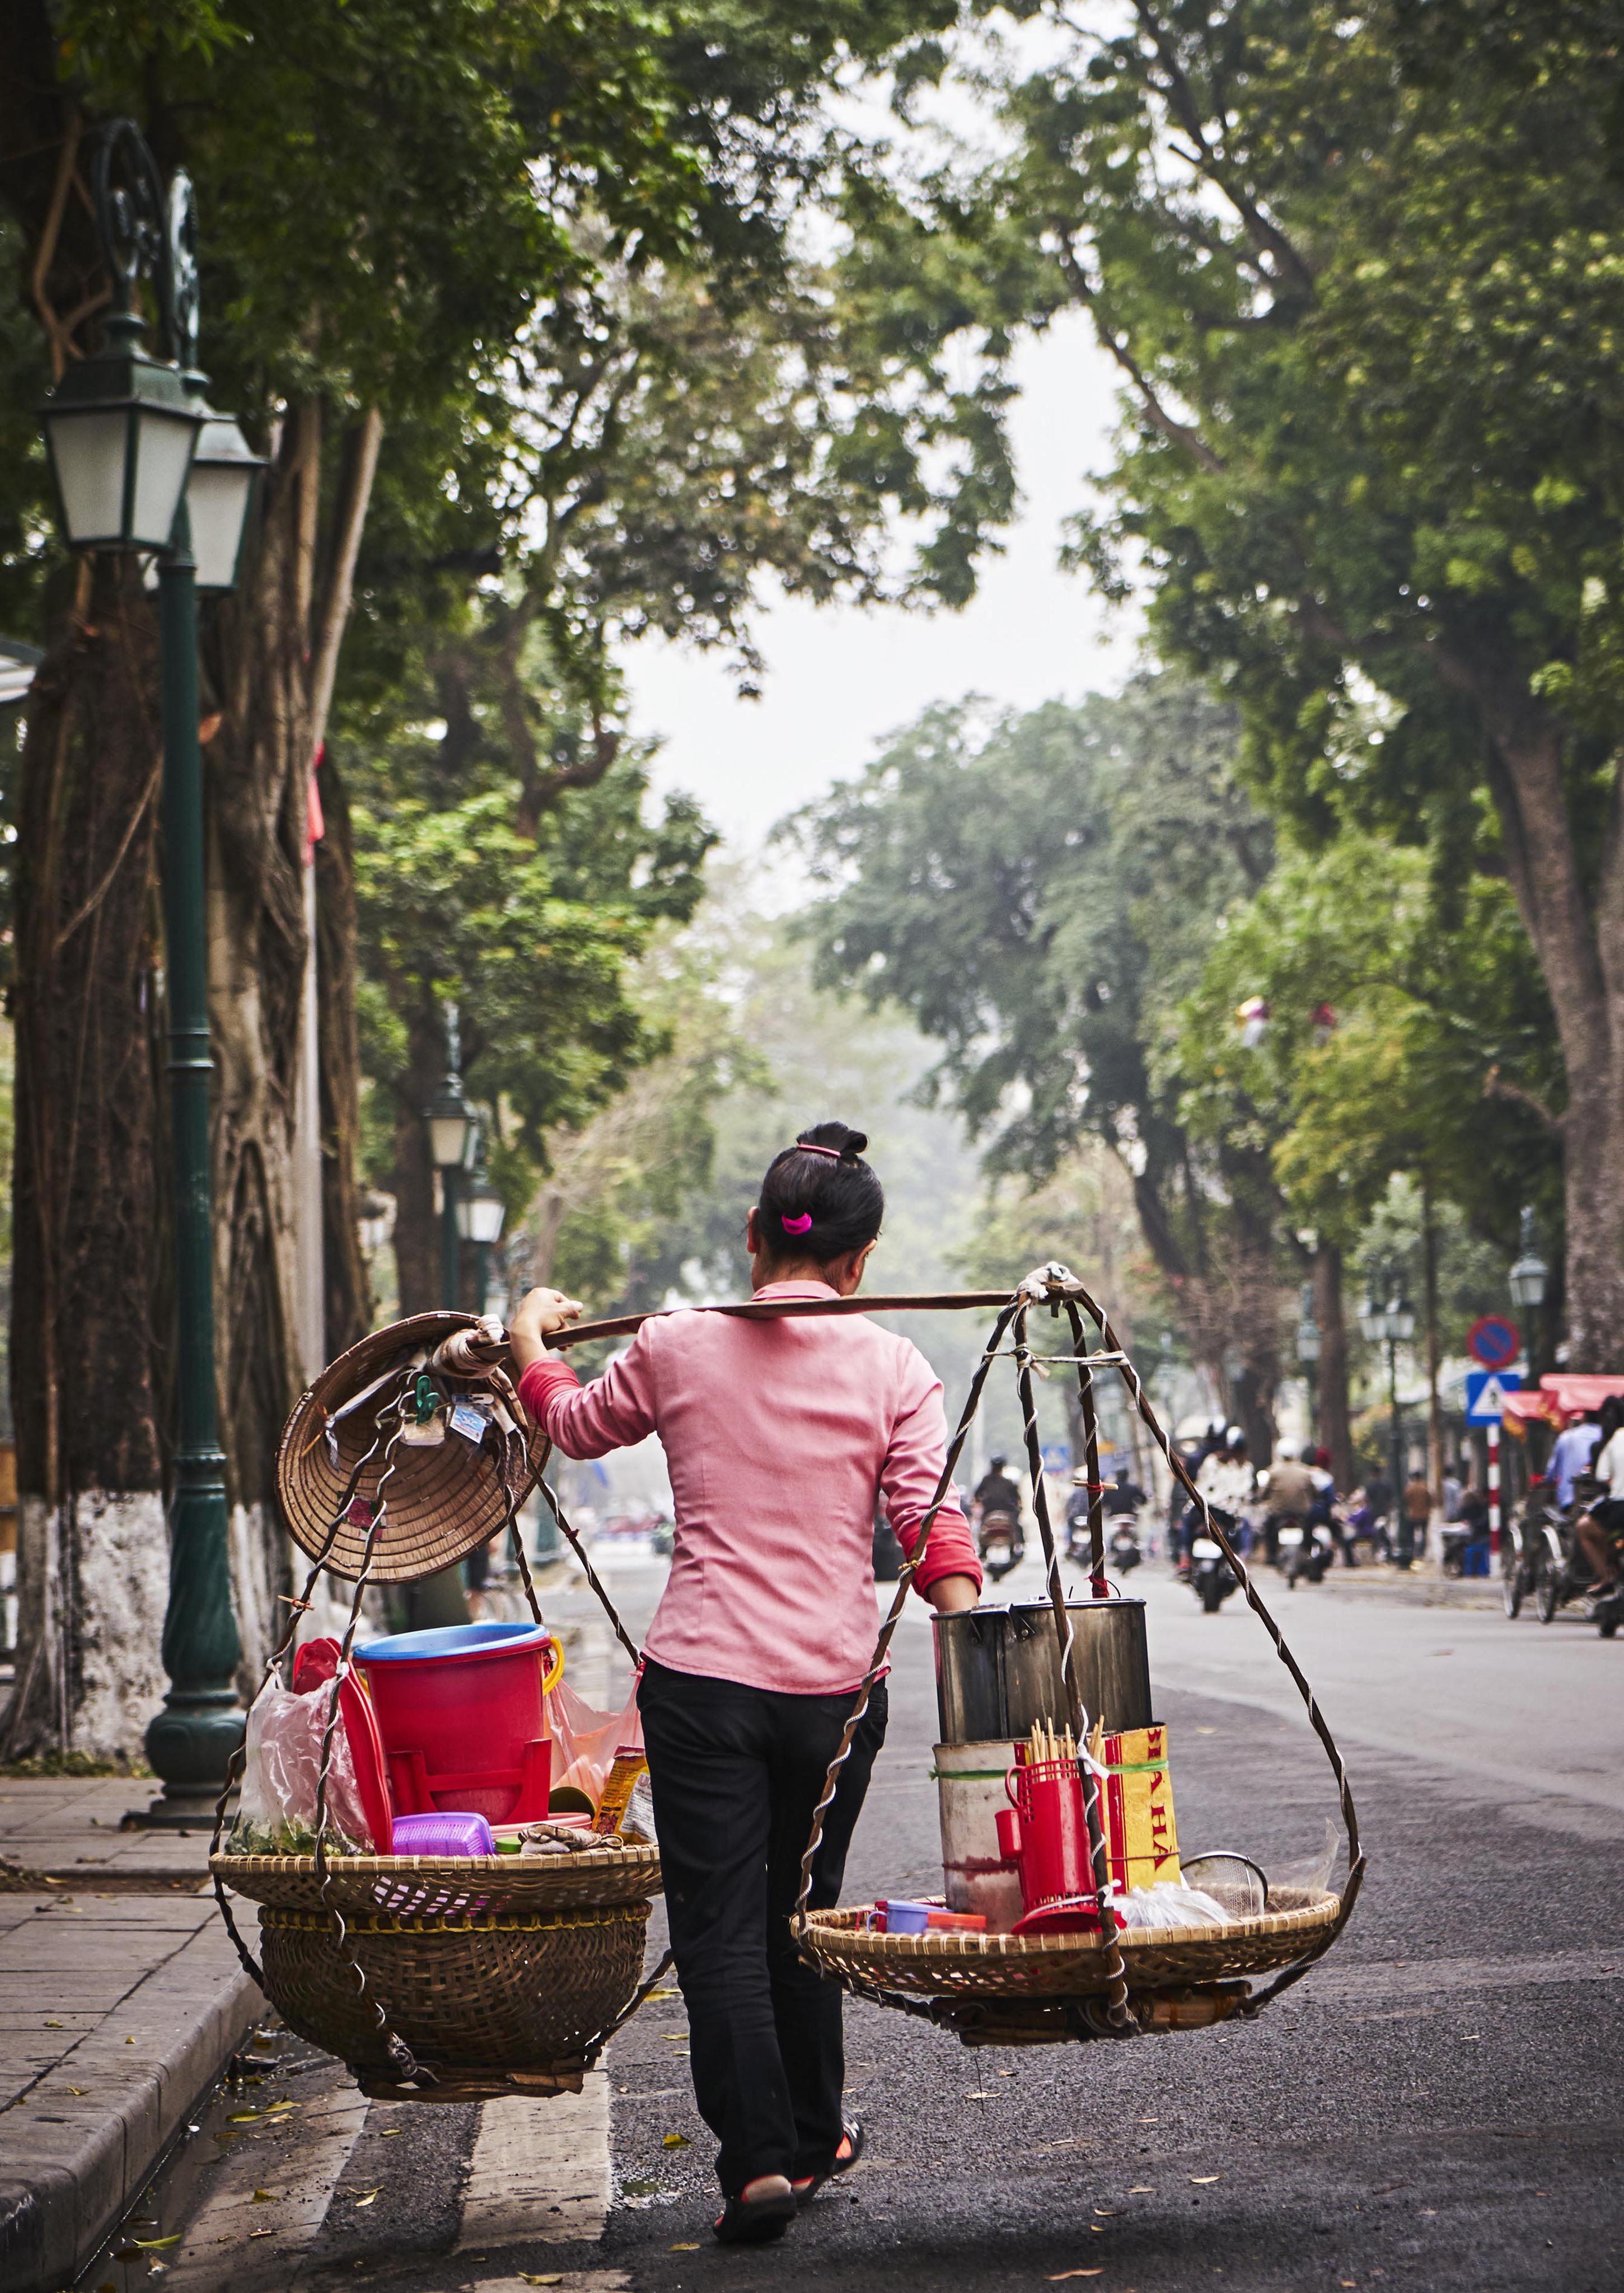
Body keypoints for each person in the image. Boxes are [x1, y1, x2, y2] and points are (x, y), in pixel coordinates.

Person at [507, 1122, 981, 2247]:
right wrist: (976, 1653)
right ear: (859, 1263)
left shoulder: (675, 1341)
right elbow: (925, 1522)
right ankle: (814, 2135)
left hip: (703, 1680)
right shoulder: (895, 1364)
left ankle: (761, 2163)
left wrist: (531, 1332)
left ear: (754, 1236)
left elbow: (572, 1424)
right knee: (800, 1914)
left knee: (721, 1929)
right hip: (833, 1695)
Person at [1575, 1397, 1624, 1589]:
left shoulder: (1611, 1442)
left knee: (1584, 1528)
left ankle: (1606, 1575)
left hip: (1618, 1506)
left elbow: (1602, 1476)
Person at [973, 1454, 1025, 1562]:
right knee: (1017, 1526)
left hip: (989, 1512)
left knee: (983, 1526)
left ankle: (983, 1550)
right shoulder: (1008, 1482)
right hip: (1007, 1512)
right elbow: (1018, 1500)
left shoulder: (986, 1480)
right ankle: (1018, 1547)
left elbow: (977, 1495)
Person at [1547, 1410, 1603, 1510]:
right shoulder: (1607, 1437)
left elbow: (1551, 1474)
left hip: (1569, 1502)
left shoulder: (1566, 1437)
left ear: (1584, 1417)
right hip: (1601, 1503)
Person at [1401, 1467, 1433, 1570]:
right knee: (1423, 1535)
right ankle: (1421, 1553)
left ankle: (1412, 1552)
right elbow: (1431, 1501)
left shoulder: (1410, 1489)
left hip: (1413, 1515)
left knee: (1411, 1535)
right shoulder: (1425, 1488)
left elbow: (1405, 1501)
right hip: (1424, 1515)